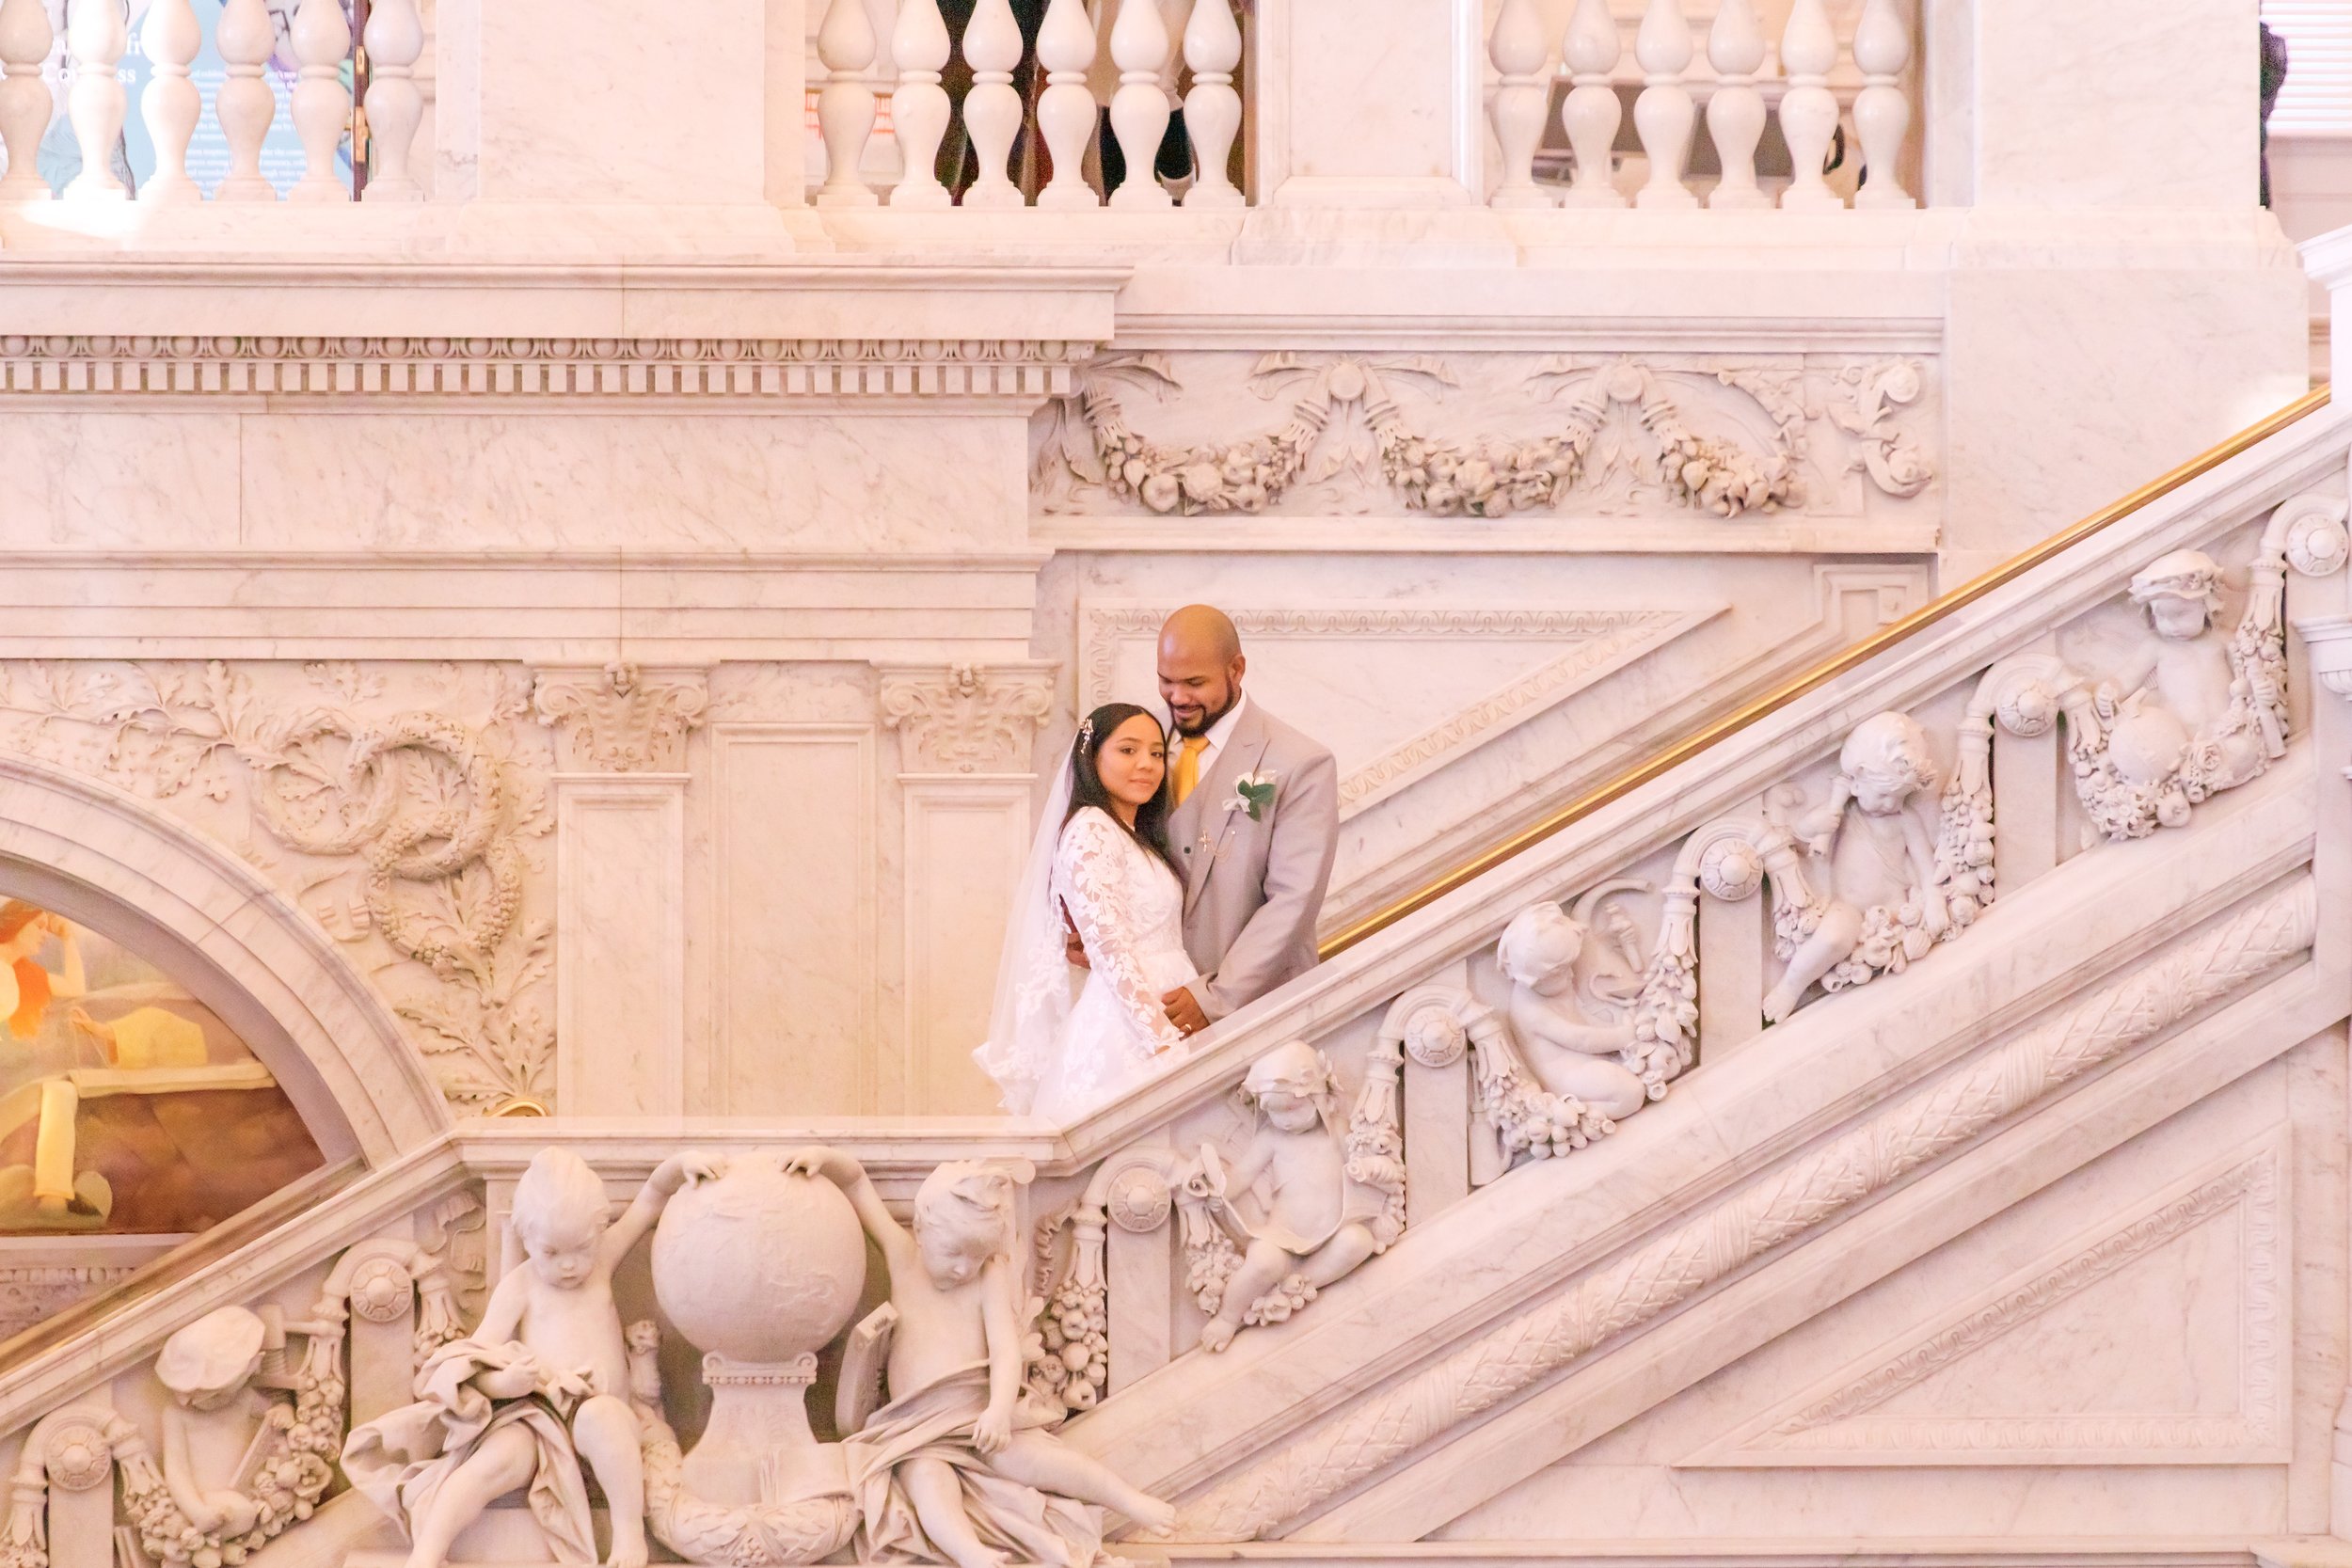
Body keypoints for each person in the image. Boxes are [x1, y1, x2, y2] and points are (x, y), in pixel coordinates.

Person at [787, 1147, 1175, 1568]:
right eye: (954, 1253)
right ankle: (972, 1554)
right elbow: (857, 1182)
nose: (963, 1268)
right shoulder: (902, 1257)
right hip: (917, 1429)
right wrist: (823, 1159)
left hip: (975, 1415)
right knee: (926, 1480)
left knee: (1038, 1461)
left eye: (975, 1257)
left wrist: (997, 1410)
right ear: (920, 1230)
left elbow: (1006, 1351)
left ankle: (1130, 1500)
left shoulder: (986, 1276)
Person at [343, 1147, 718, 1568]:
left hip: (597, 1413)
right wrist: (508, 1383)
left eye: (581, 1249)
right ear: (526, 1240)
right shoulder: (520, 1286)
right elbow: (475, 1361)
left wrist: (679, 1166)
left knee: (604, 1419)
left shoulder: (603, 1262)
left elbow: (650, 1198)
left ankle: (629, 1537)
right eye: (551, 1253)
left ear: (599, 1231)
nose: (569, 1266)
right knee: (491, 1463)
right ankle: (428, 1551)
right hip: (535, 1419)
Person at [974, 702, 1197, 1120]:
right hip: (1130, 1026)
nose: (1146, 765)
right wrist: (1161, 1041)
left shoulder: (1134, 834)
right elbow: (1109, 947)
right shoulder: (1091, 828)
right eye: (1128, 751)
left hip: (1171, 1000)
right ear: (1092, 758)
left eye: (1155, 753)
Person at [1148, 606, 1340, 1034]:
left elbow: (1294, 900)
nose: (1178, 697)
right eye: (1166, 680)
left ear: (1236, 670)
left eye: (1195, 683)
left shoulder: (1300, 763)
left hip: (1258, 1015)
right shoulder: (1133, 744)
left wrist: (1215, 997)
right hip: (1147, 1008)